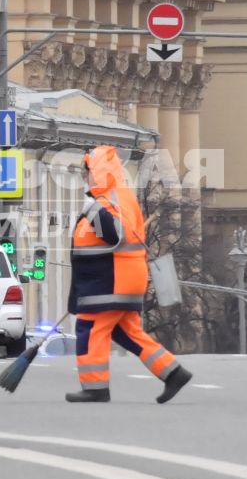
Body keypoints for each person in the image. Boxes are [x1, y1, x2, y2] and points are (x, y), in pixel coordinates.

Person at [67, 144, 191, 405]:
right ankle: (173, 372)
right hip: (123, 277)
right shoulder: (121, 197)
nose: (85, 177)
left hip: (109, 279)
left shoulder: (107, 201)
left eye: (87, 171)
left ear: (98, 171)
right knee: (127, 332)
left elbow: (114, 234)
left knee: (91, 329)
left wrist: (91, 210)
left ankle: (95, 388)